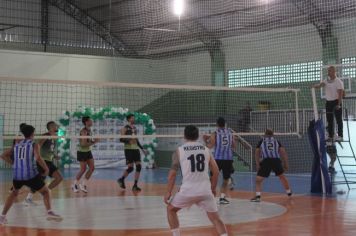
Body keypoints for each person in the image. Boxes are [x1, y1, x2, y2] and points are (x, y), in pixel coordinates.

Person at [164, 125, 228, 236]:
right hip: (205, 191)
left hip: (188, 190)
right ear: (198, 136)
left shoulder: (179, 151)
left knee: (171, 209)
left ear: (184, 136)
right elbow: (216, 171)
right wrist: (212, 188)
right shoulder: (205, 149)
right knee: (216, 219)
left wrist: (168, 192)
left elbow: (172, 174)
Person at [0, 124, 61, 225]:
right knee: (46, 192)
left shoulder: (17, 144)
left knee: (14, 193)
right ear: (32, 134)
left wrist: (14, 163)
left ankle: (2, 216)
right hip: (30, 175)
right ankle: (49, 212)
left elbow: (3, 155)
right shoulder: (33, 144)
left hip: (17, 175)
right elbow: (38, 158)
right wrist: (46, 168)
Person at [25, 121, 63, 204]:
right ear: (51, 127)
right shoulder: (46, 135)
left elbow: (50, 149)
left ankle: (45, 193)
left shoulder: (55, 137)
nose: (57, 127)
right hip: (43, 161)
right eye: (55, 126)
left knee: (59, 178)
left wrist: (55, 155)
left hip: (49, 161)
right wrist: (36, 157)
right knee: (40, 181)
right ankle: (29, 198)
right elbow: (38, 145)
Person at [251, 129, 292, 202]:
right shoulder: (277, 141)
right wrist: (286, 163)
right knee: (282, 177)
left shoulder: (262, 141)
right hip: (276, 160)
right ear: (273, 134)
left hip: (266, 161)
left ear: (265, 134)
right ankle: (289, 193)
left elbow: (257, 152)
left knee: (258, 180)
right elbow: (283, 152)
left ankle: (257, 196)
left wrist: (257, 163)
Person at [204, 117, 236, 204]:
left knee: (213, 177)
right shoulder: (230, 133)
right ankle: (222, 198)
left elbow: (210, 146)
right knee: (226, 179)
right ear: (225, 124)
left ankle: (209, 196)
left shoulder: (215, 133)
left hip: (217, 159)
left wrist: (205, 140)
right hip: (228, 159)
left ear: (217, 124)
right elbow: (234, 145)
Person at [313, 66, 344, 141]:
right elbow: (321, 85)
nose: (328, 72)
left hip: (336, 101)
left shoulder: (338, 82)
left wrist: (339, 104)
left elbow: (340, 94)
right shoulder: (326, 80)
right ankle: (330, 135)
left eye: (329, 71)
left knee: (338, 119)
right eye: (328, 71)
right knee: (329, 120)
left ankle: (340, 136)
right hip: (328, 102)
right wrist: (314, 86)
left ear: (334, 72)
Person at [117, 114, 148, 191]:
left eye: (134, 118)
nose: (134, 119)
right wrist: (129, 141)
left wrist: (142, 149)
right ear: (129, 119)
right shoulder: (125, 128)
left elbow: (136, 140)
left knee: (139, 166)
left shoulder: (134, 128)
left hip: (135, 149)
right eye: (132, 118)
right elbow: (121, 139)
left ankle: (135, 185)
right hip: (128, 149)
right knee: (130, 168)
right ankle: (121, 179)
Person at [72, 116, 99, 193]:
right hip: (81, 152)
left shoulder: (89, 130)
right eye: (90, 120)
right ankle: (74, 184)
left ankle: (83, 184)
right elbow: (83, 144)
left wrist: (94, 140)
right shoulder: (83, 131)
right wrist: (95, 142)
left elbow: (88, 141)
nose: (92, 122)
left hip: (87, 151)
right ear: (86, 122)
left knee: (92, 168)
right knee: (83, 169)